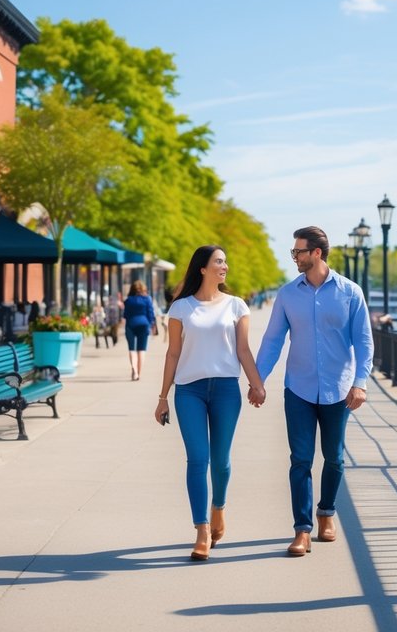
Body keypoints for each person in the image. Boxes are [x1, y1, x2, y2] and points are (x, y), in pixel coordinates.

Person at [256, 226, 373, 557]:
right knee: (301, 460)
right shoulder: (288, 294)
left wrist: (361, 382)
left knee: (334, 458)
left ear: (317, 253)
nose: (295, 256)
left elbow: (364, 341)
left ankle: (326, 513)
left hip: (339, 389)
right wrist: (258, 379)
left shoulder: (350, 293)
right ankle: (302, 530)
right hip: (299, 388)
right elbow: (273, 339)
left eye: (299, 252)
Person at [154, 245, 267, 561]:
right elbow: (173, 354)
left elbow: (243, 350)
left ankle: (219, 508)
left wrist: (256, 384)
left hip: (226, 392)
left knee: (220, 460)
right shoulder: (180, 309)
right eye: (219, 261)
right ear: (202, 268)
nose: (225, 266)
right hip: (189, 391)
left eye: (225, 262)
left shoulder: (236, 306)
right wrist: (163, 397)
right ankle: (201, 529)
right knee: (197, 459)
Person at [122, 281, 155, 380]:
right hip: (144, 324)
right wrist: (150, 324)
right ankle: (138, 373)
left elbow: (125, 315)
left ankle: (134, 371)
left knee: (132, 349)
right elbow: (151, 314)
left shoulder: (128, 300)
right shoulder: (148, 299)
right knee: (141, 350)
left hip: (130, 325)